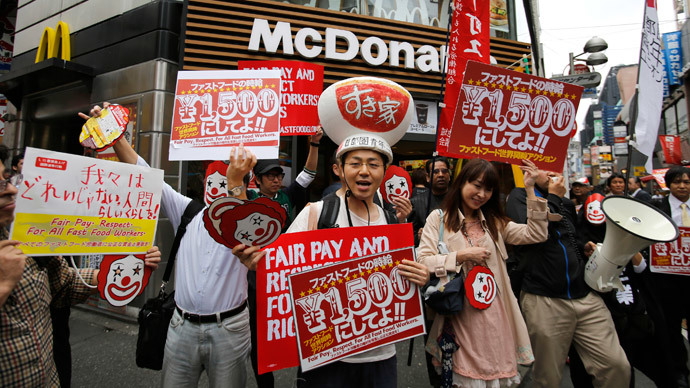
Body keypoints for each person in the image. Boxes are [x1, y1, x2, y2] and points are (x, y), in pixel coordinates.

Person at [235, 132, 430, 388]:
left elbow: (404, 279)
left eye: (373, 164)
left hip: (381, 357)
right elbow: (277, 267)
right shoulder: (317, 213)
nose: (364, 171)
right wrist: (256, 264)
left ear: (383, 172)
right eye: (355, 163)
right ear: (338, 169)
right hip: (325, 358)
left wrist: (421, 278)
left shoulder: (392, 221)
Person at [91, 103, 255, 387]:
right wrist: (113, 134)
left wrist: (236, 182)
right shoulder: (188, 211)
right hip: (181, 327)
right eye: (212, 183)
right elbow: (145, 174)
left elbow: (240, 226)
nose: (218, 190)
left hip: (230, 330)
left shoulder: (253, 220)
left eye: (226, 183)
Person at [0, 143, 162, 386]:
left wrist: (117, 274)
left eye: (6, 179)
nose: (11, 189)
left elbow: (64, 283)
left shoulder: (22, 240)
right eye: (2, 184)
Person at [417, 158, 547, 387]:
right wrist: (461, 256)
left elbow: (536, 234)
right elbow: (423, 261)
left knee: (494, 375)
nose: (481, 194)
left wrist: (530, 189)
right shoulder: (438, 219)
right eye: (476, 185)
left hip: (495, 313)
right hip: (459, 313)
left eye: (488, 189)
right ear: (461, 183)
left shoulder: (495, 223)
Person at [505, 167, 630, 388]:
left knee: (616, 365)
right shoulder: (520, 196)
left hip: (585, 295)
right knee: (548, 377)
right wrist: (553, 197)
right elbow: (537, 232)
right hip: (544, 298)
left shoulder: (567, 203)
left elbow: (569, 236)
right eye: (545, 169)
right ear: (530, 170)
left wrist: (583, 247)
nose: (552, 174)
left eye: (556, 168)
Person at [245, 128, 322, 388]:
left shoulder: (287, 197)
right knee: (259, 333)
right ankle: (265, 381)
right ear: (257, 179)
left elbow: (308, 175)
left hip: (287, 274)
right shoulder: (246, 199)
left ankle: (304, 376)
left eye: (279, 175)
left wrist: (313, 143)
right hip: (256, 277)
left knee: (300, 325)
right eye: (271, 176)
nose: (277, 180)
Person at [650, 166, 690, 388]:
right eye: (677, 182)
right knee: (672, 327)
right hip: (667, 277)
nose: (682, 186)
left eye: (686, 182)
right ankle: (678, 371)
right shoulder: (658, 207)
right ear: (669, 185)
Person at [409, 157, 451, 246]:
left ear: (449, 175)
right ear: (427, 177)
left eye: (444, 171)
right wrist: (419, 236)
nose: (441, 175)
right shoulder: (416, 202)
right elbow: (409, 237)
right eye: (435, 172)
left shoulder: (458, 199)